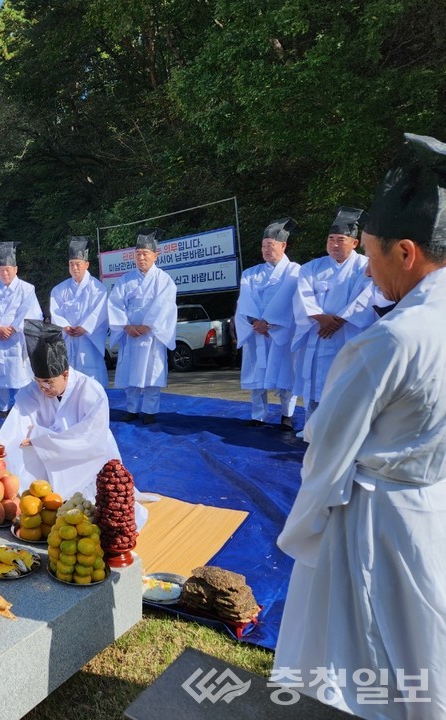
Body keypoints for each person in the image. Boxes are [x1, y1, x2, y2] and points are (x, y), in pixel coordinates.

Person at [274, 133, 446, 718]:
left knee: (360, 645)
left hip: (373, 519)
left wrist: (307, 523)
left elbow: (328, 443)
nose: (369, 275)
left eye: (371, 256)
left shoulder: (391, 339)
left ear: (406, 252)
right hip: (432, 503)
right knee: (424, 638)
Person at [0, 321, 147, 533]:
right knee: (17, 453)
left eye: (48, 382)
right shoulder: (35, 390)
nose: (43, 388)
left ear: (65, 374)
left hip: (87, 456)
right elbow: (19, 419)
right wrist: (0, 448)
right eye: (39, 381)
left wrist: (41, 438)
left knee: (94, 504)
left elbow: (90, 438)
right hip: (47, 453)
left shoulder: (91, 391)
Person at [291, 206, 388, 420]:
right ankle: (312, 429)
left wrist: (340, 319)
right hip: (318, 334)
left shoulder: (366, 265)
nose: (334, 244)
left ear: (354, 243)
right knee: (315, 383)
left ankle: (343, 433)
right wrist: (321, 318)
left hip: (349, 335)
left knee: (347, 384)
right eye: (331, 239)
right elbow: (302, 296)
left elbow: (367, 295)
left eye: (340, 239)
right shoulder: (311, 267)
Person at [234, 218, 301, 429]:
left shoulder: (295, 271)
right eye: (263, 246)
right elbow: (245, 301)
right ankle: (258, 415)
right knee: (257, 375)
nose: (265, 250)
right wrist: (255, 322)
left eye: (270, 245)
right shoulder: (250, 273)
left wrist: (270, 323)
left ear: (283, 246)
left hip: (282, 332)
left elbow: (289, 300)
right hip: (256, 332)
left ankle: (287, 415)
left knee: (285, 374)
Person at [107, 228, 177, 424]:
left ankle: (150, 411)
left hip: (151, 336)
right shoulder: (126, 279)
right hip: (130, 335)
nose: (141, 258)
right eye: (137, 254)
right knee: (131, 374)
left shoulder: (164, 280)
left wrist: (148, 326)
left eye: (145, 254)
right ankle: (132, 409)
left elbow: (165, 305)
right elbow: (114, 303)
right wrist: (126, 326)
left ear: (156, 255)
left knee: (151, 374)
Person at [0, 241, 44, 418]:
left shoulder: (27, 289)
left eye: (8, 269)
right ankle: (3, 408)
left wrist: (14, 328)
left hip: (17, 338)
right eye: (1, 270)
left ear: (16, 269)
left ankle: (23, 407)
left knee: (20, 374)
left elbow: (30, 311)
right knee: (0, 376)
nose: (4, 273)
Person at [49, 236, 110, 386]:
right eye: (71, 264)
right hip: (68, 338)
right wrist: (65, 326)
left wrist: (85, 327)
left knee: (90, 376)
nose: (74, 267)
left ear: (87, 264)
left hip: (89, 339)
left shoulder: (97, 288)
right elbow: (55, 311)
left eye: (78, 264)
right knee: (68, 374)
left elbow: (100, 312)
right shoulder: (59, 289)